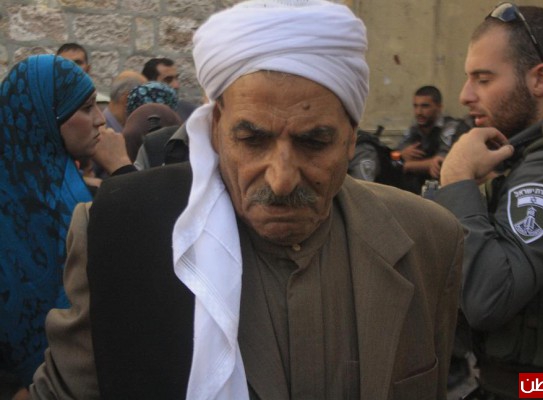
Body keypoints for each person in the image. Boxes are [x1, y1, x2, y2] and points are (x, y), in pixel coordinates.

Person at [30, 1, 463, 399]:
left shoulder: (427, 240)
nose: (281, 180)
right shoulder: (119, 234)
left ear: (352, 138)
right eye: (253, 140)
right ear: (216, 128)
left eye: (313, 142)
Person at [434, 3, 543, 399]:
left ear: (540, 78)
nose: (465, 95)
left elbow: (488, 299)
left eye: (483, 79)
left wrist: (457, 180)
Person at [0, 54, 130, 400]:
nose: (100, 119)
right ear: (45, 117)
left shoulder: (76, 196)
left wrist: (121, 170)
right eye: (86, 108)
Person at [396, 85, 469, 194]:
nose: (419, 112)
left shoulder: (450, 127)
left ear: (439, 107)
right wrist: (401, 154)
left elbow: (440, 163)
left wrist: (406, 165)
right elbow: (393, 158)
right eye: (415, 106)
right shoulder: (414, 129)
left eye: (425, 106)